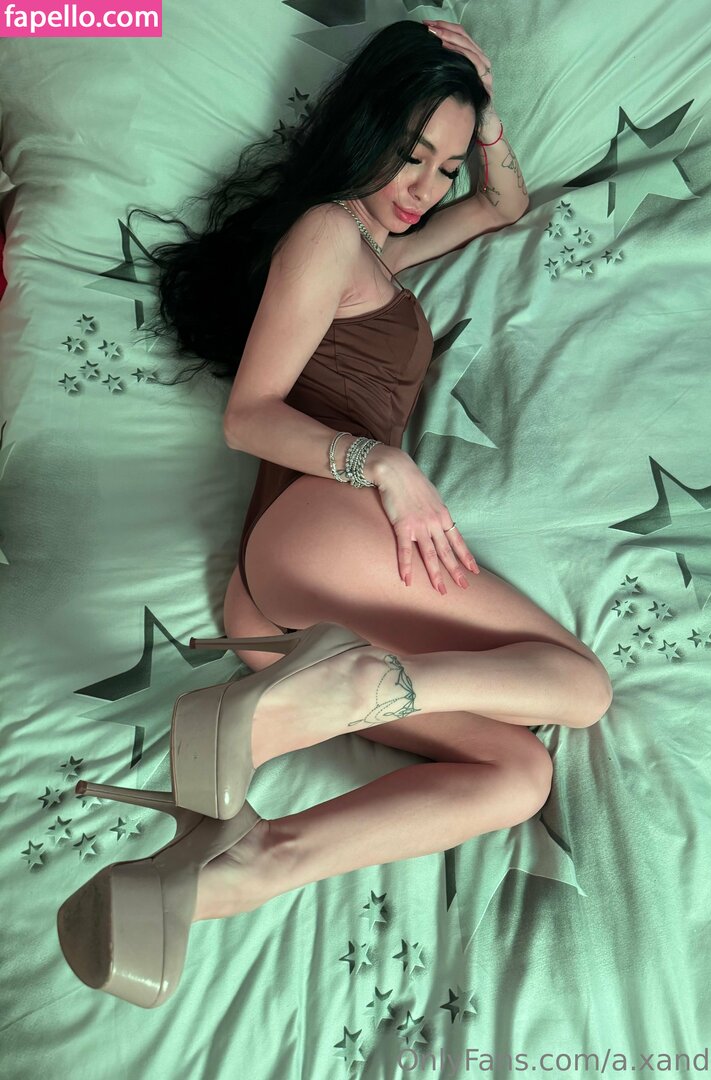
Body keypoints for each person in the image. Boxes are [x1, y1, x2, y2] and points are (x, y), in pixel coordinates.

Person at [56, 19, 613, 1008]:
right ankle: (360, 686)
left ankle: (247, 868)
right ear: (364, 128)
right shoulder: (326, 233)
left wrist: (481, 119)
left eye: (442, 168)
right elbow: (248, 415)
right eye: (411, 153)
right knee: (580, 687)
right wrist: (382, 467)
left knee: (517, 772)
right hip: (321, 526)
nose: (424, 187)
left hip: (272, 611)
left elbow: (503, 205)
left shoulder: (378, 248)